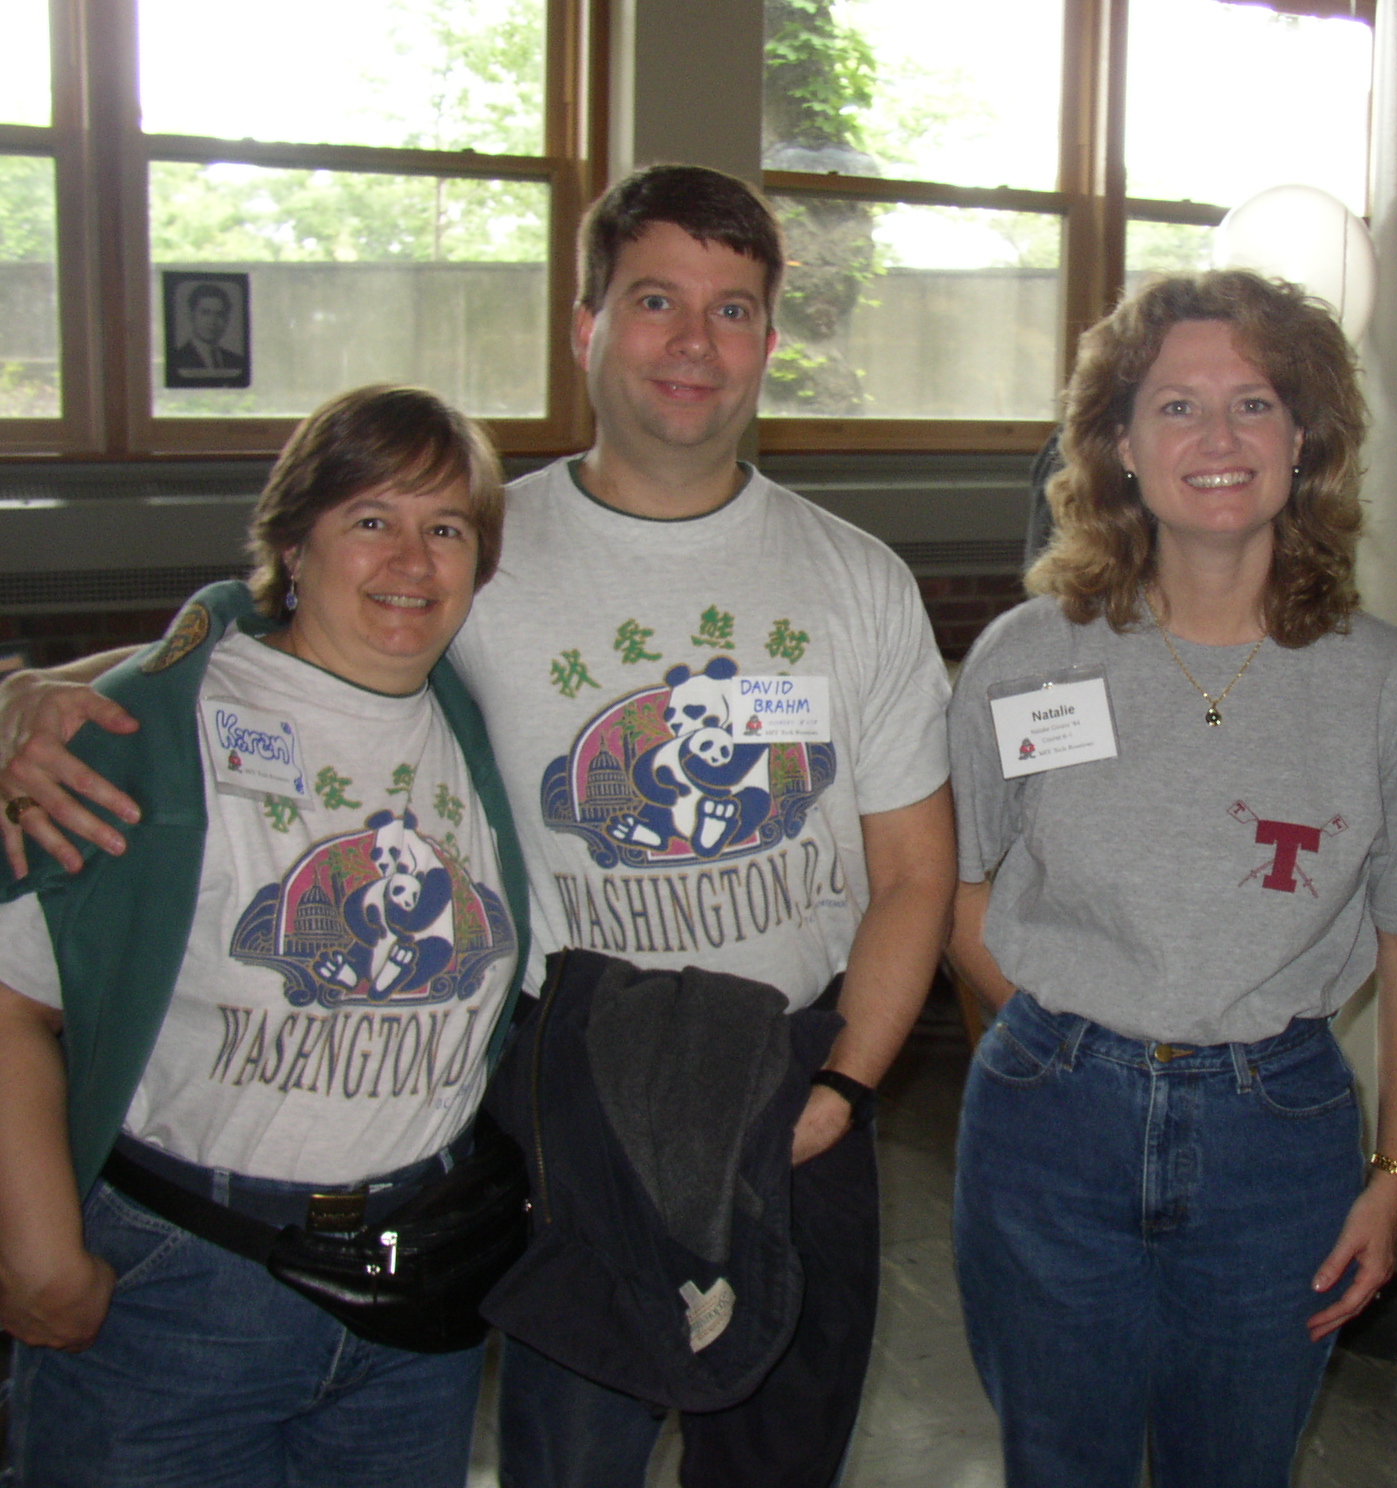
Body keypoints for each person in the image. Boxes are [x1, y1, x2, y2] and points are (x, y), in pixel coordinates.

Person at [0, 163, 956, 1488]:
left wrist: (844, 1089)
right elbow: (277, 632)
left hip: (794, 1086)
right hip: (571, 1098)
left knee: (779, 1461)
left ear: (768, 342)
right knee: (567, 1463)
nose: (694, 342)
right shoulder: (483, 549)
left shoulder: (858, 578)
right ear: (585, 325)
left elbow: (913, 873)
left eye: (732, 310)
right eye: (656, 301)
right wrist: (32, 694)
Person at [946, 269, 1397, 1487]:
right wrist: (1068, 1043)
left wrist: (1394, 1175)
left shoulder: (1384, 685)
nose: (1217, 438)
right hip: (1048, 1130)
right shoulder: (1027, 659)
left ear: (1303, 438)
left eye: (1254, 403)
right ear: (1119, 444)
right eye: (1176, 406)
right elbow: (956, 884)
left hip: (1273, 1138)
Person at [0, 384, 525, 1487]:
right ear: (293, 543)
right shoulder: (149, 730)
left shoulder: (478, 721)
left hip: (415, 1296)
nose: (412, 561)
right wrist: (42, 1254)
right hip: (181, 1290)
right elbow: (11, 1001)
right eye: (371, 519)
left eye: (447, 529)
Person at [170, 282, 247, 376]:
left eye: (219, 314)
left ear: (227, 320)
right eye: (205, 313)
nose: (212, 322)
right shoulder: (177, 359)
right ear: (191, 315)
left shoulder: (237, 361)